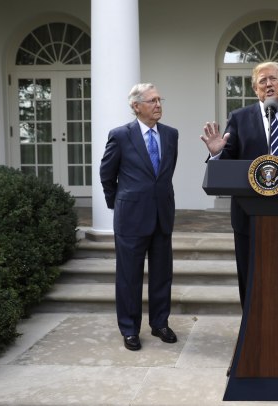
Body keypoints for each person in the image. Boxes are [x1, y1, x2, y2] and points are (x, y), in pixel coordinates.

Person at [200, 61, 278, 308]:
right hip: (248, 212)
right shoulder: (239, 118)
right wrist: (216, 155)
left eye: (273, 79)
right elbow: (227, 161)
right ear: (255, 89)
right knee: (249, 271)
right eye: (262, 81)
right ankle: (250, 326)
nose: (268, 84)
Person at [100, 83, 179, 351]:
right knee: (129, 276)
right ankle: (130, 329)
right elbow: (107, 175)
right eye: (152, 100)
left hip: (162, 215)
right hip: (131, 217)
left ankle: (160, 324)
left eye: (160, 99)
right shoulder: (121, 135)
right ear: (136, 106)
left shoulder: (171, 135)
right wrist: (119, 203)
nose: (158, 105)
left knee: (161, 274)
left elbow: (164, 175)